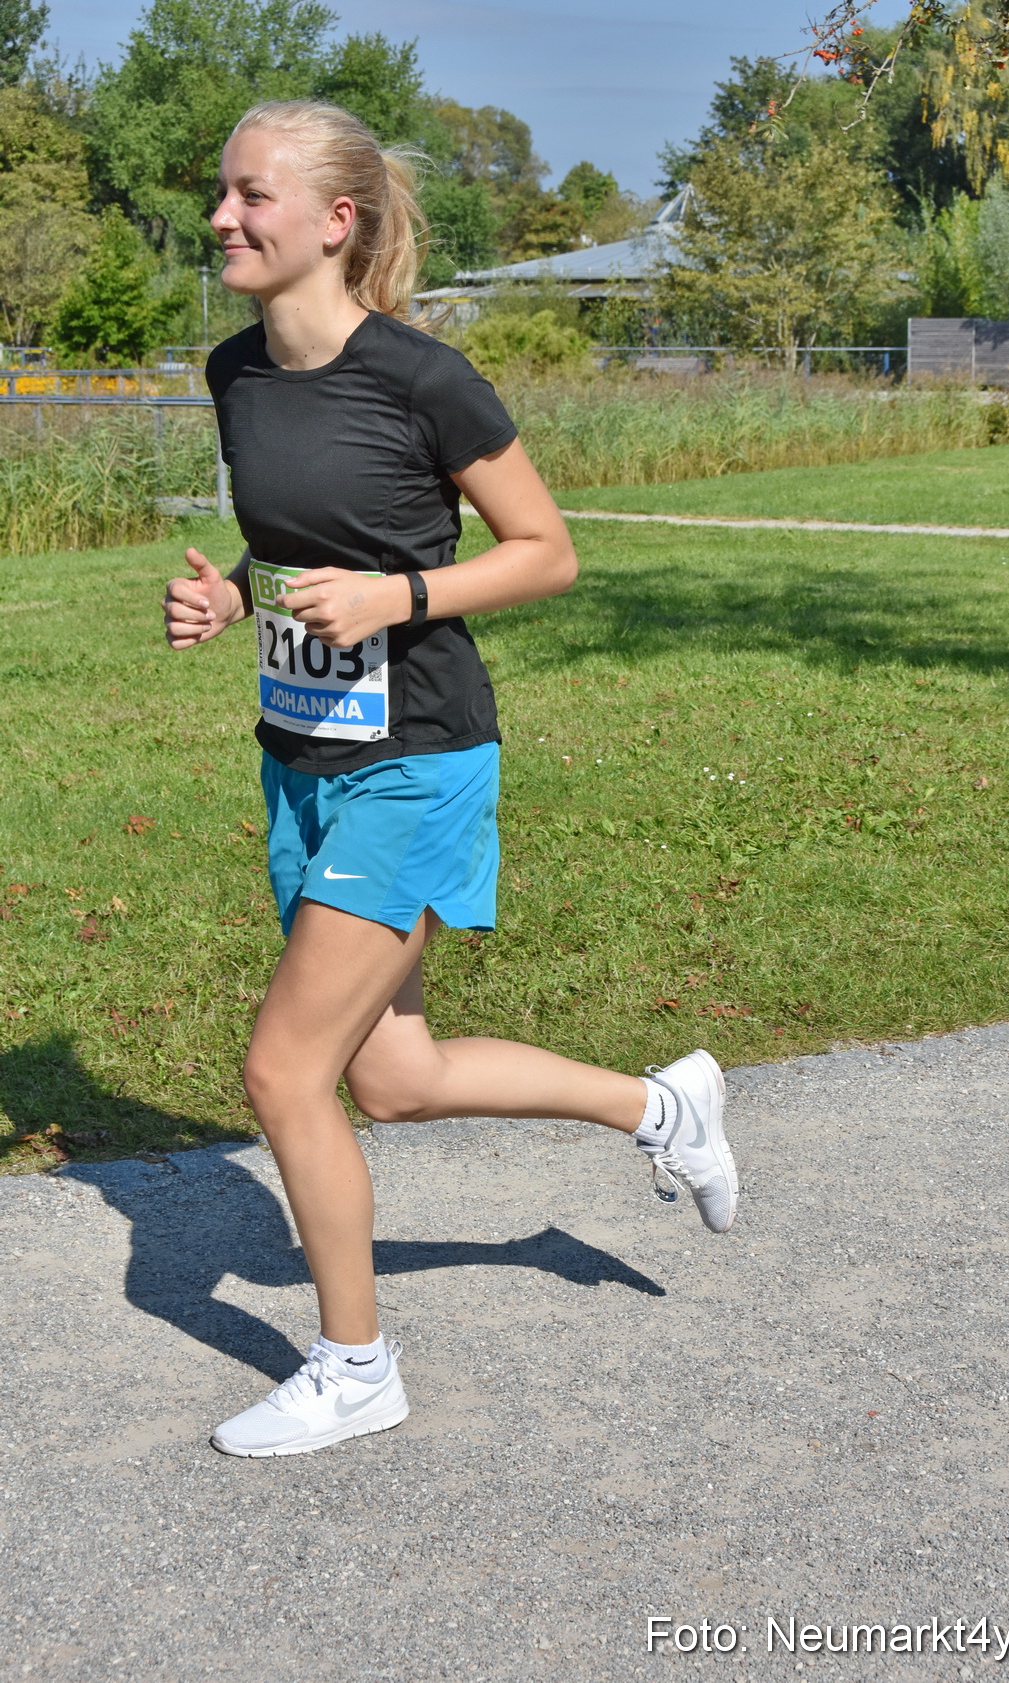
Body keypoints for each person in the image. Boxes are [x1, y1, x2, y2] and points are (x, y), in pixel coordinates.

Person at [163, 98, 738, 1460]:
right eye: (223, 193)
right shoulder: (233, 371)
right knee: (398, 1080)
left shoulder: (424, 379)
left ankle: (355, 1367)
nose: (223, 217)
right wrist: (235, 602)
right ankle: (663, 1107)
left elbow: (547, 549)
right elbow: (313, 547)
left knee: (283, 1074)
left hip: (418, 761)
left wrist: (401, 594)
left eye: (252, 195)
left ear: (334, 222)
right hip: (302, 757)